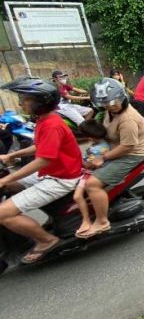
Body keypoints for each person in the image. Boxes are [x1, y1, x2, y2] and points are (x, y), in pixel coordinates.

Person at [0, 77, 82, 264]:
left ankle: (46, 240)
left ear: (41, 102)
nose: (21, 102)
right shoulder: (44, 120)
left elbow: (43, 160)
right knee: (10, 182)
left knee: (2, 214)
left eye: (25, 99)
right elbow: (40, 146)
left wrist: (4, 181)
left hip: (61, 178)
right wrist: (11, 156)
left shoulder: (52, 124)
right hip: (52, 173)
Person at [83, 78, 144, 237]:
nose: (108, 106)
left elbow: (128, 146)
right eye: (105, 104)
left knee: (92, 184)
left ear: (122, 97)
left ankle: (102, 222)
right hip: (114, 148)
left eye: (112, 103)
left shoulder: (127, 119)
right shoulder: (111, 110)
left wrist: (103, 157)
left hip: (131, 155)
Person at [74, 120, 111, 238]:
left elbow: (90, 164)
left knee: (77, 196)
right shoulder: (102, 144)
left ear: (89, 136)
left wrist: (79, 161)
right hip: (88, 171)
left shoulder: (98, 149)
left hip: (89, 173)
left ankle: (86, 221)